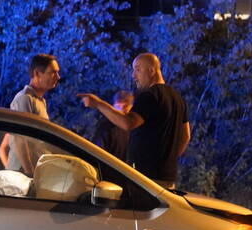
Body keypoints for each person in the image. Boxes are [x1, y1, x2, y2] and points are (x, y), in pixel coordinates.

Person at [79, 53, 190, 188]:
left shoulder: (150, 96)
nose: (133, 76)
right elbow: (185, 137)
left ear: (151, 70)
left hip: (146, 180)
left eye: (137, 69)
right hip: (167, 179)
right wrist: (167, 161)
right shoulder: (178, 99)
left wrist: (98, 104)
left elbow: (128, 123)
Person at [4, 54, 60, 175]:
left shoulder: (40, 101)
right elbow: (20, 138)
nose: (58, 77)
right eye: (53, 72)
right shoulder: (25, 99)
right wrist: (29, 171)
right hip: (22, 174)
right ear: (37, 73)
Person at [93, 90, 133, 160]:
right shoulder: (105, 128)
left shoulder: (134, 130)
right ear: (113, 106)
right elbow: (98, 153)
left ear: (131, 107)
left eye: (125, 106)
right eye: (118, 106)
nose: (121, 109)